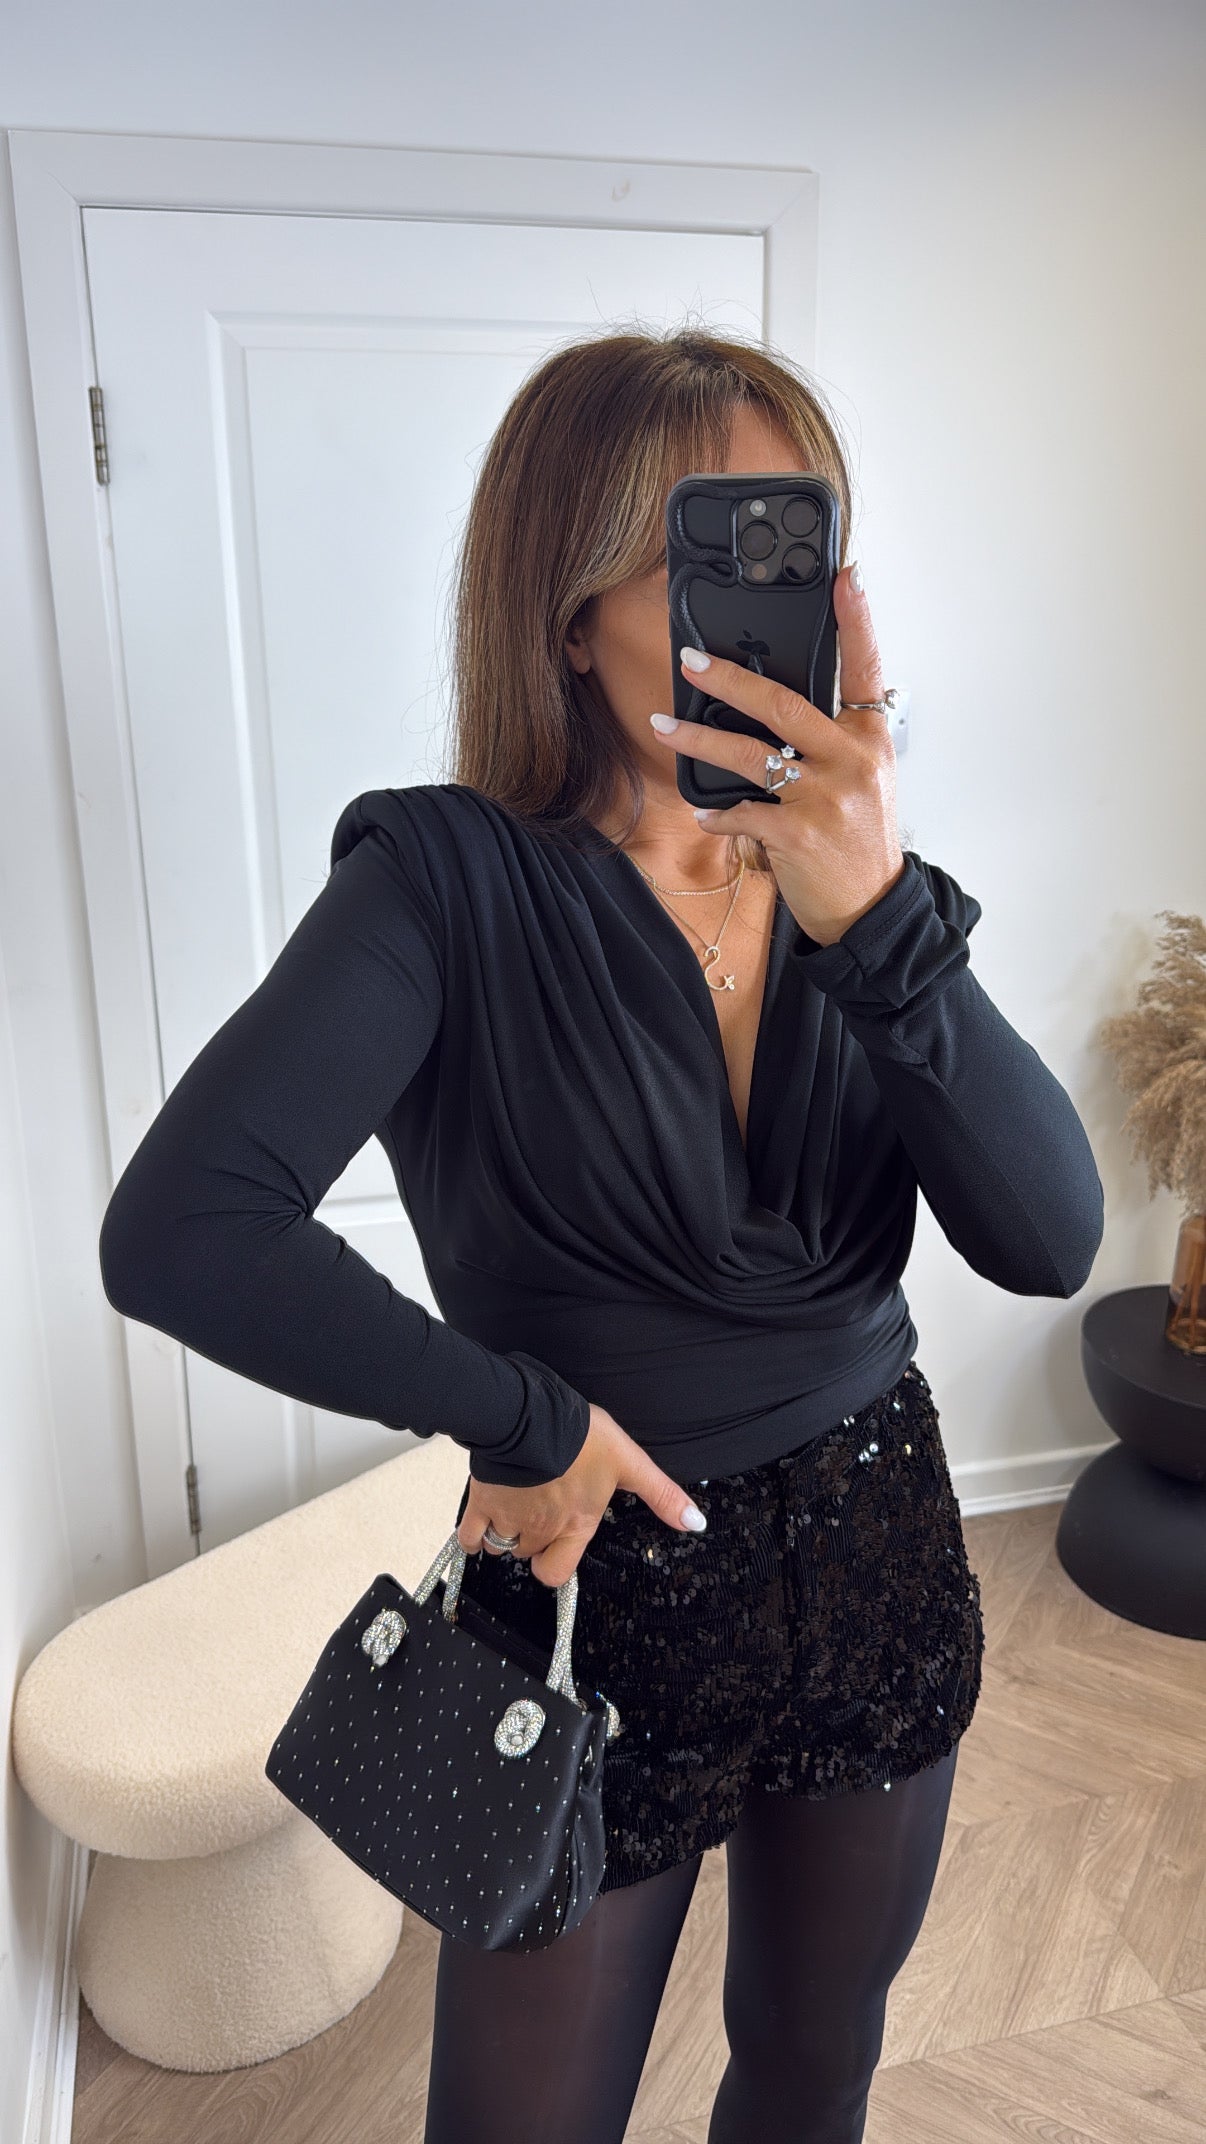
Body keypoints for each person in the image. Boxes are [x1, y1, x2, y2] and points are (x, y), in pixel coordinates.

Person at [99, 326, 1105, 2143]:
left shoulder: (870, 902)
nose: (780, 605)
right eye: (717, 549)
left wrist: (877, 915)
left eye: (804, 542)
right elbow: (182, 1227)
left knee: (815, 2070)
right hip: (592, 1590)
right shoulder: (442, 883)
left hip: (875, 1545)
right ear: (570, 616)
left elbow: (1049, 1238)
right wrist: (521, 1418)